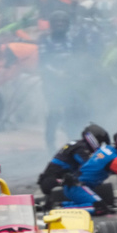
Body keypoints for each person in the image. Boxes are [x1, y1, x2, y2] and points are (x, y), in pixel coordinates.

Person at [39, 124, 117, 213]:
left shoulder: (109, 151)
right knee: (100, 208)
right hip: (76, 186)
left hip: (74, 185)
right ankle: (59, 209)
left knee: (103, 205)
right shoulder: (114, 159)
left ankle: (60, 205)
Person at [39, 10, 80, 149]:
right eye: (57, 22)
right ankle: (50, 144)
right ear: (52, 25)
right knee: (54, 112)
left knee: (71, 112)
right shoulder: (45, 40)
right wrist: (57, 73)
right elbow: (44, 62)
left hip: (70, 81)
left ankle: (72, 142)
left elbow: (77, 58)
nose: (60, 25)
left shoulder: (71, 40)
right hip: (52, 83)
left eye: (63, 22)